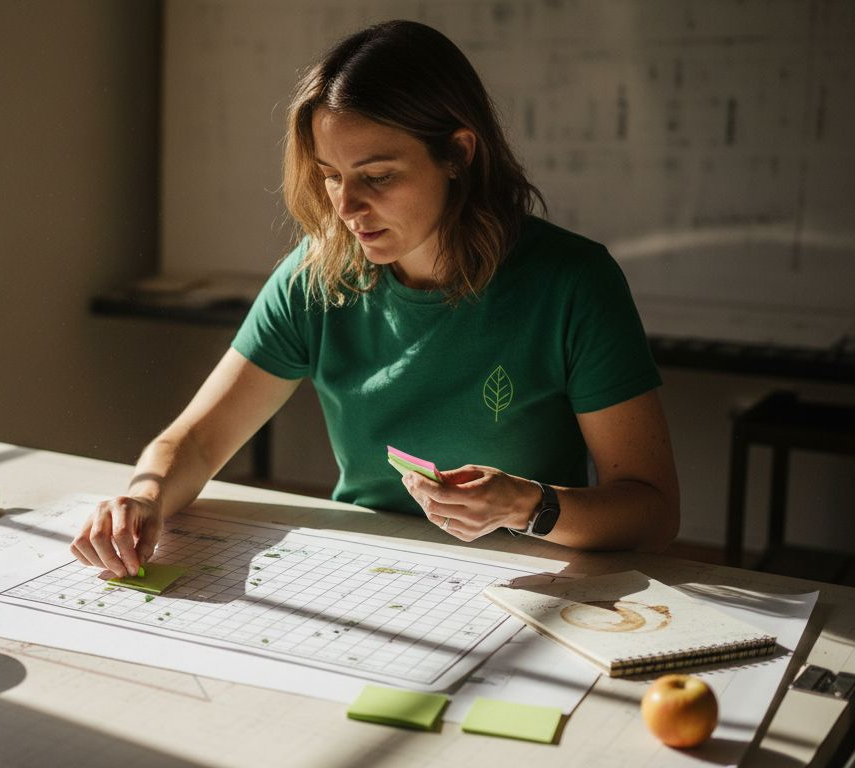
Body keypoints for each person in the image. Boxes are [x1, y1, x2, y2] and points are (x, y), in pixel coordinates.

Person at [72, 20, 679, 578]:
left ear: (458, 155)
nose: (346, 206)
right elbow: (198, 441)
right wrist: (143, 496)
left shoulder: (573, 282)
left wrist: (530, 506)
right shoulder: (316, 274)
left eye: (379, 175)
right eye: (331, 174)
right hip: (365, 570)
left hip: (527, 575)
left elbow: (652, 514)